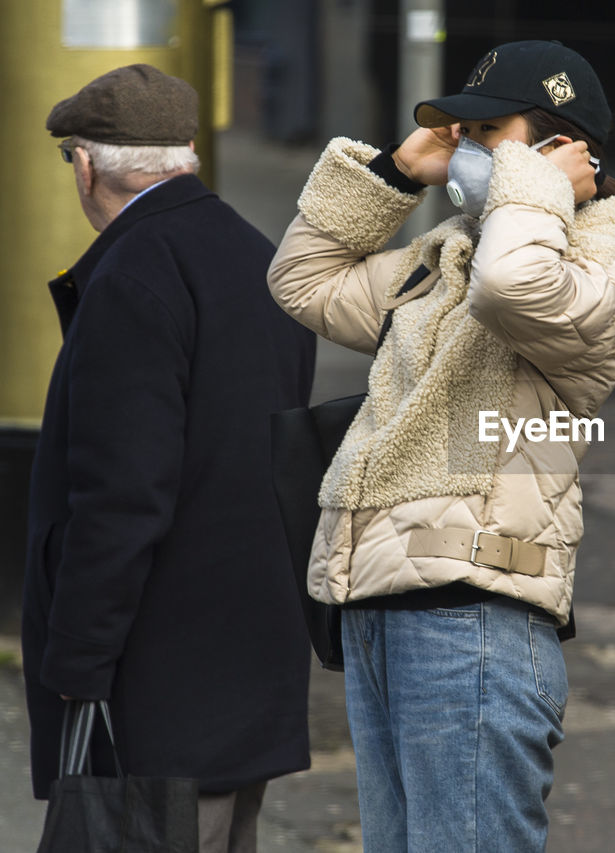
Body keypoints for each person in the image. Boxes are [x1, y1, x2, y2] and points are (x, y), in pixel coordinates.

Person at [267, 40, 615, 851]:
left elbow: (514, 288)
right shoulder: (447, 255)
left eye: (493, 132)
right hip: (380, 605)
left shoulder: (604, 264)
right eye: (464, 131)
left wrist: (532, 187)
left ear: (564, 149)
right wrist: (394, 171)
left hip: (474, 620)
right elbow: (302, 282)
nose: (470, 150)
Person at [22, 64, 316, 852]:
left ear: (85, 167)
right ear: (188, 150)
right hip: (249, 664)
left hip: (156, 691)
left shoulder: (132, 276)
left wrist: (77, 659)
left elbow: (122, 497)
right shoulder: (262, 258)